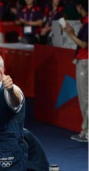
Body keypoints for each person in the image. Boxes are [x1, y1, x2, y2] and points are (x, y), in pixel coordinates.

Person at [62, 0, 88, 142]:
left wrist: (70, 33)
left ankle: (87, 132)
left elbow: (84, 44)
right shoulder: (85, 22)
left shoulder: (88, 23)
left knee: (86, 98)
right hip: (84, 62)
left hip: (85, 62)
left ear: (80, 7)